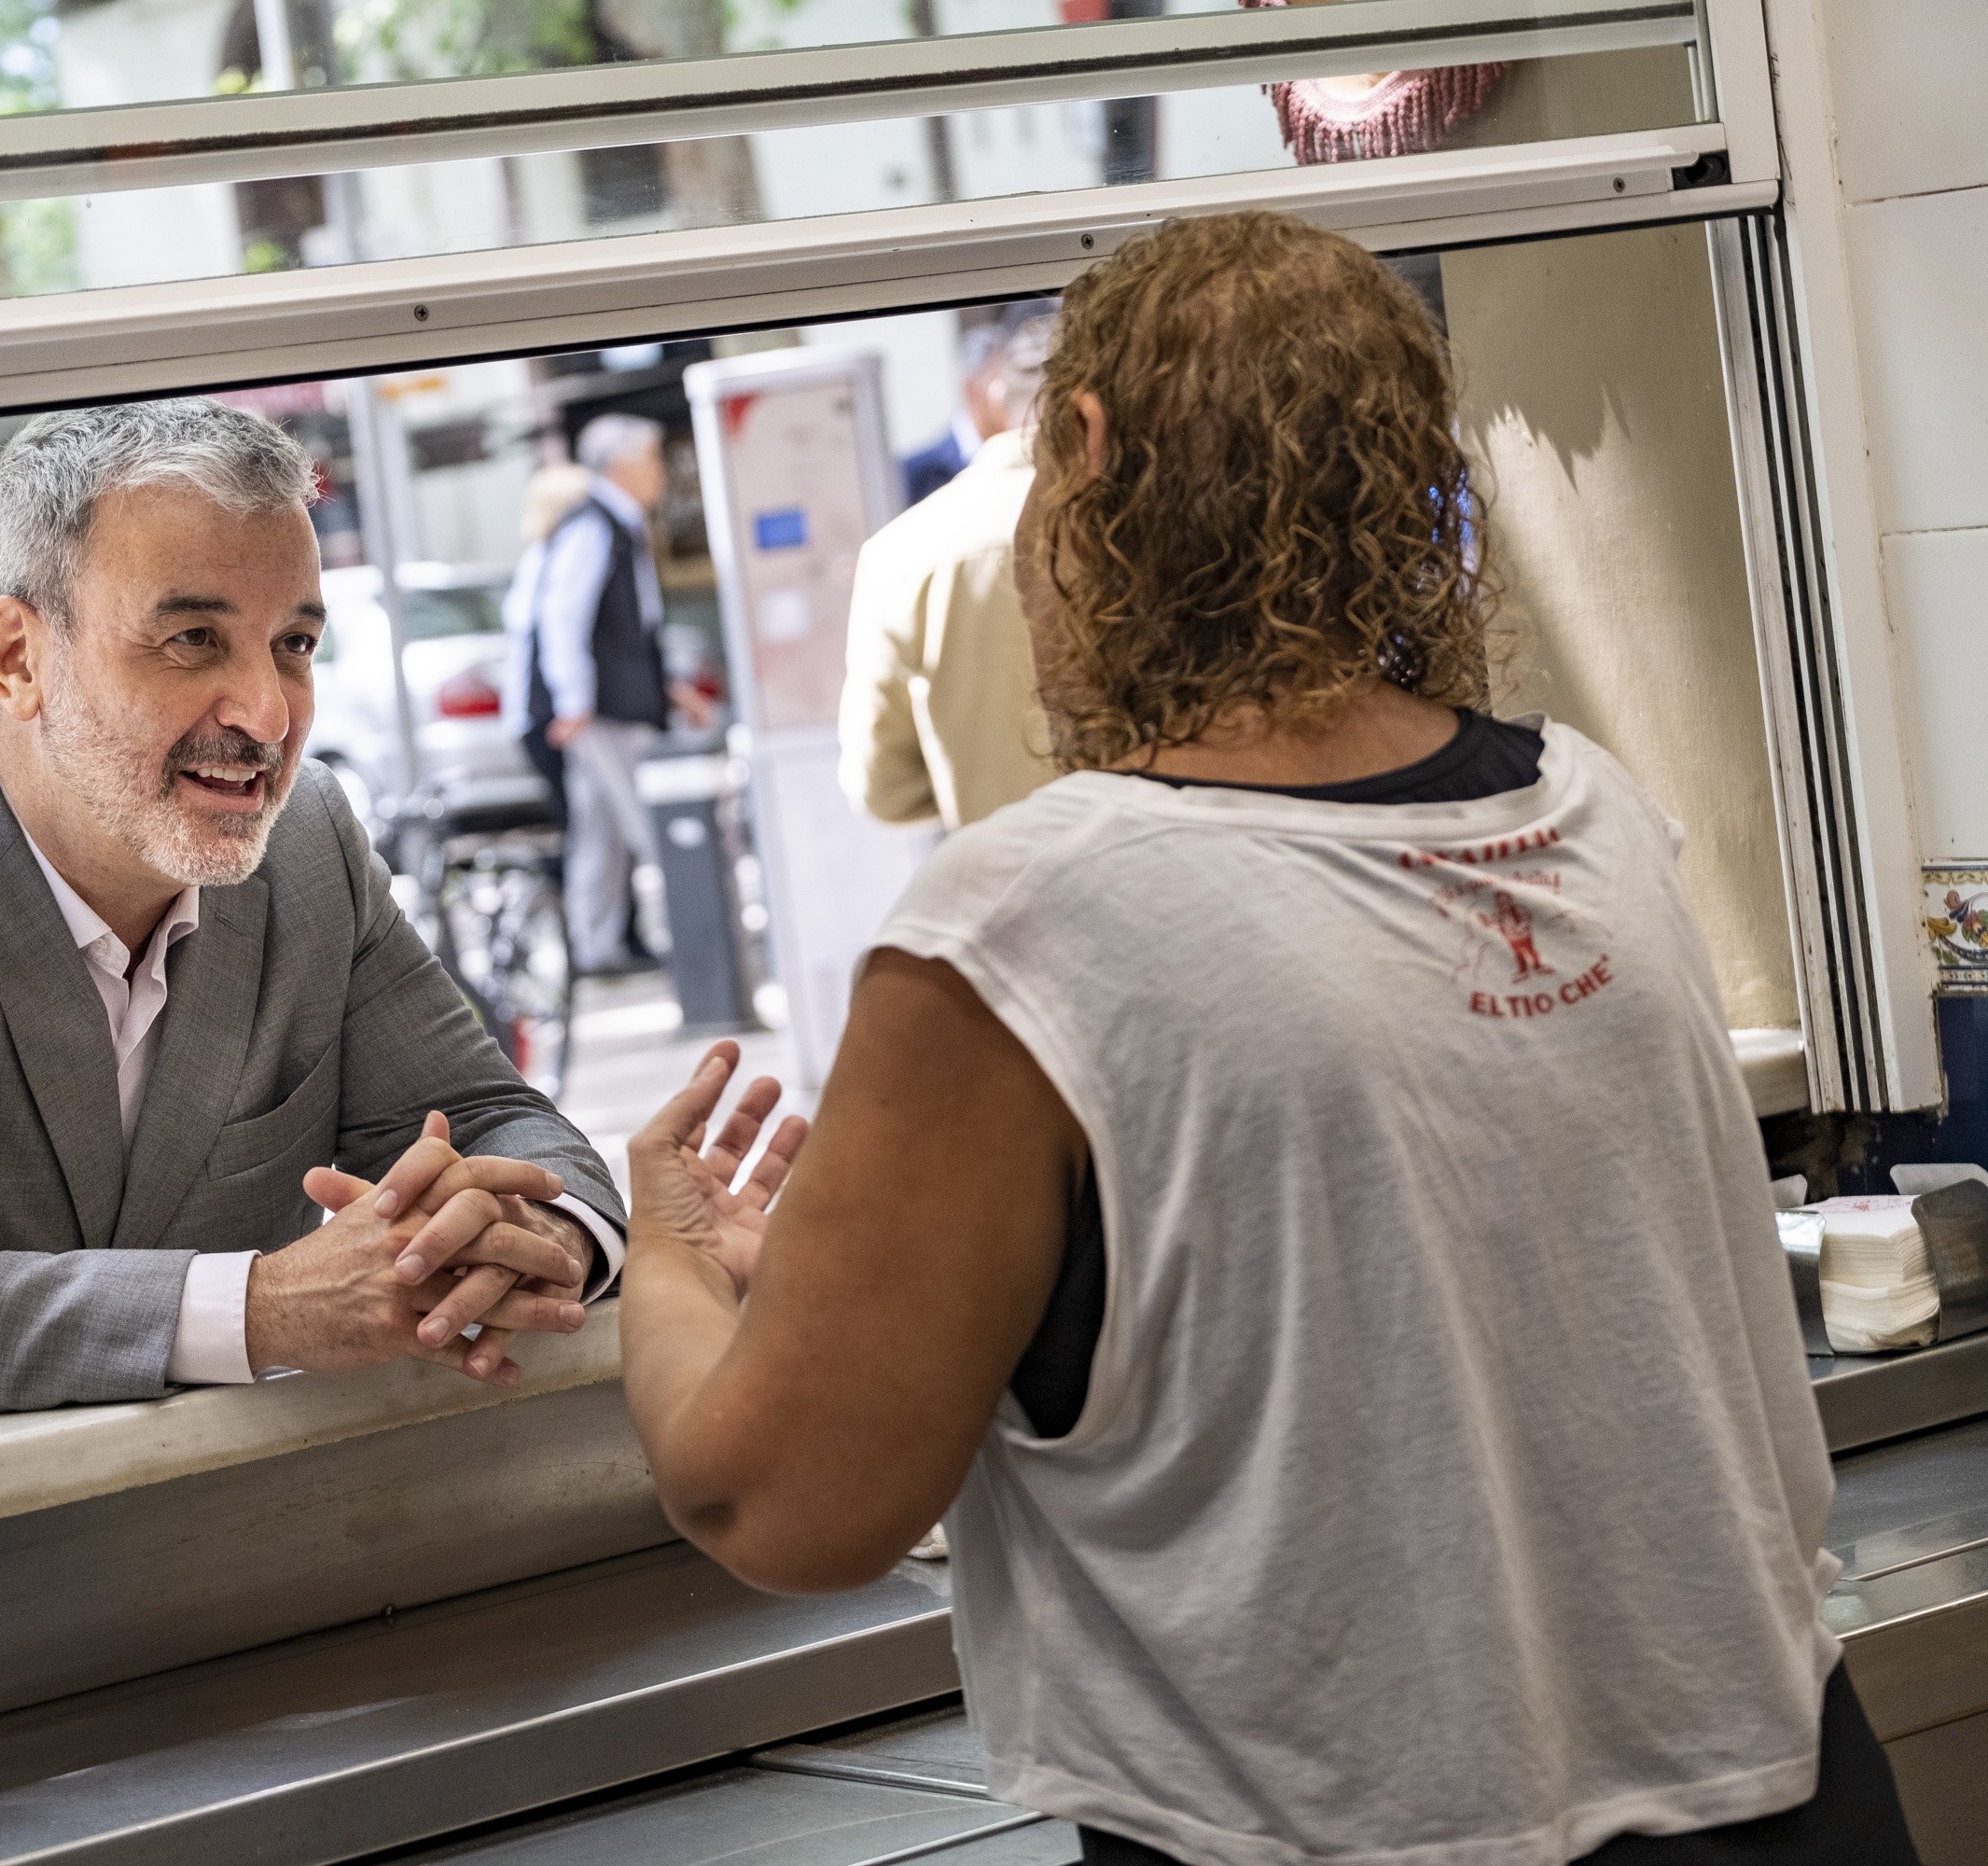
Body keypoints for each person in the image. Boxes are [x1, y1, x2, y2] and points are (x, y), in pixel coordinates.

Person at [617, 213, 1914, 1866]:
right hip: (1798, 1798)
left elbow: (774, 1503)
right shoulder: (1591, 815)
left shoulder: (1030, 921)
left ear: (1078, 459)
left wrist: (670, 1258)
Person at [0, 397, 624, 1432]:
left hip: (163, 1522)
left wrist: (527, 1228)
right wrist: (262, 1308)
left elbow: (495, 1117)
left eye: (292, 642)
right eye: (193, 638)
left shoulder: (309, 838)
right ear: (17, 659)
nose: (267, 714)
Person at [841, 313, 1062, 831]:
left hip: (1001, 876)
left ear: (995, 398)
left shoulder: (898, 553)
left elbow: (881, 788)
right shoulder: (1157, 525)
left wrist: (976, 784)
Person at [526, 413, 706, 976]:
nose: (659, 472)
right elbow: (562, 617)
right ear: (623, 463)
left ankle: (596, 948)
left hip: (615, 703)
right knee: (652, 829)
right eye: (652, 460)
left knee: (600, 831)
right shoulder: (595, 525)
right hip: (604, 710)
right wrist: (574, 701)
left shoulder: (616, 524)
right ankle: (703, 944)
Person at [501, 460, 596, 835]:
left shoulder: (537, 559)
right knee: (584, 823)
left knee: (583, 825)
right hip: (548, 713)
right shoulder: (558, 558)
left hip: (531, 714)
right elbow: (560, 626)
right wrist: (573, 702)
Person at [897, 320, 1020, 508]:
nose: (1012, 395)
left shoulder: (1027, 456)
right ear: (970, 388)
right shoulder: (913, 475)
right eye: (1001, 384)